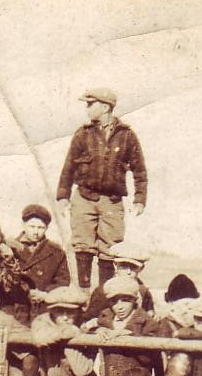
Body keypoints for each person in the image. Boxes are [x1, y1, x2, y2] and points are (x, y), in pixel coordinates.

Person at [56, 87, 147, 292]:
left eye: (90, 104)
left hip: (112, 201)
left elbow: (139, 170)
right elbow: (68, 167)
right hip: (84, 197)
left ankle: (103, 294)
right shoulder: (83, 134)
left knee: (110, 247)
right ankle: (83, 292)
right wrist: (63, 196)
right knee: (82, 244)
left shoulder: (126, 136)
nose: (87, 109)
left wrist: (139, 198)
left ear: (105, 107)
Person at [10, 204, 71, 294]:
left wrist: (44, 294)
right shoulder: (10, 248)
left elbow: (63, 282)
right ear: (23, 225)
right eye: (32, 226)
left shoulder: (56, 252)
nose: (36, 232)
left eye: (40, 228)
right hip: (15, 301)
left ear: (47, 228)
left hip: (43, 301)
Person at [83, 243, 154, 318]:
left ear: (141, 268)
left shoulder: (142, 291)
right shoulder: (102, 291)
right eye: (123, 266)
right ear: (115, 265)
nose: (128, 272)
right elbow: (90, 319)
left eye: (133, 267)